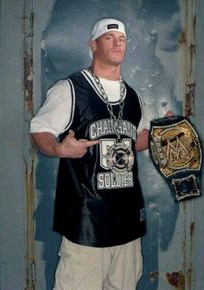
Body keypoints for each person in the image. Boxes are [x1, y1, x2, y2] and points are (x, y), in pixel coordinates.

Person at [30, 18, 149, 290]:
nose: (118, 42)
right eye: (109, 37)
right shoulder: (70, 89)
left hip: (128, 225)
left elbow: (135, 142)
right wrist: (58, 148)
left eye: (122, 38)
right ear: (93, 45)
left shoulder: (134, 98)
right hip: (87, 225)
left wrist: (162, 134)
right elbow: (40, 131)